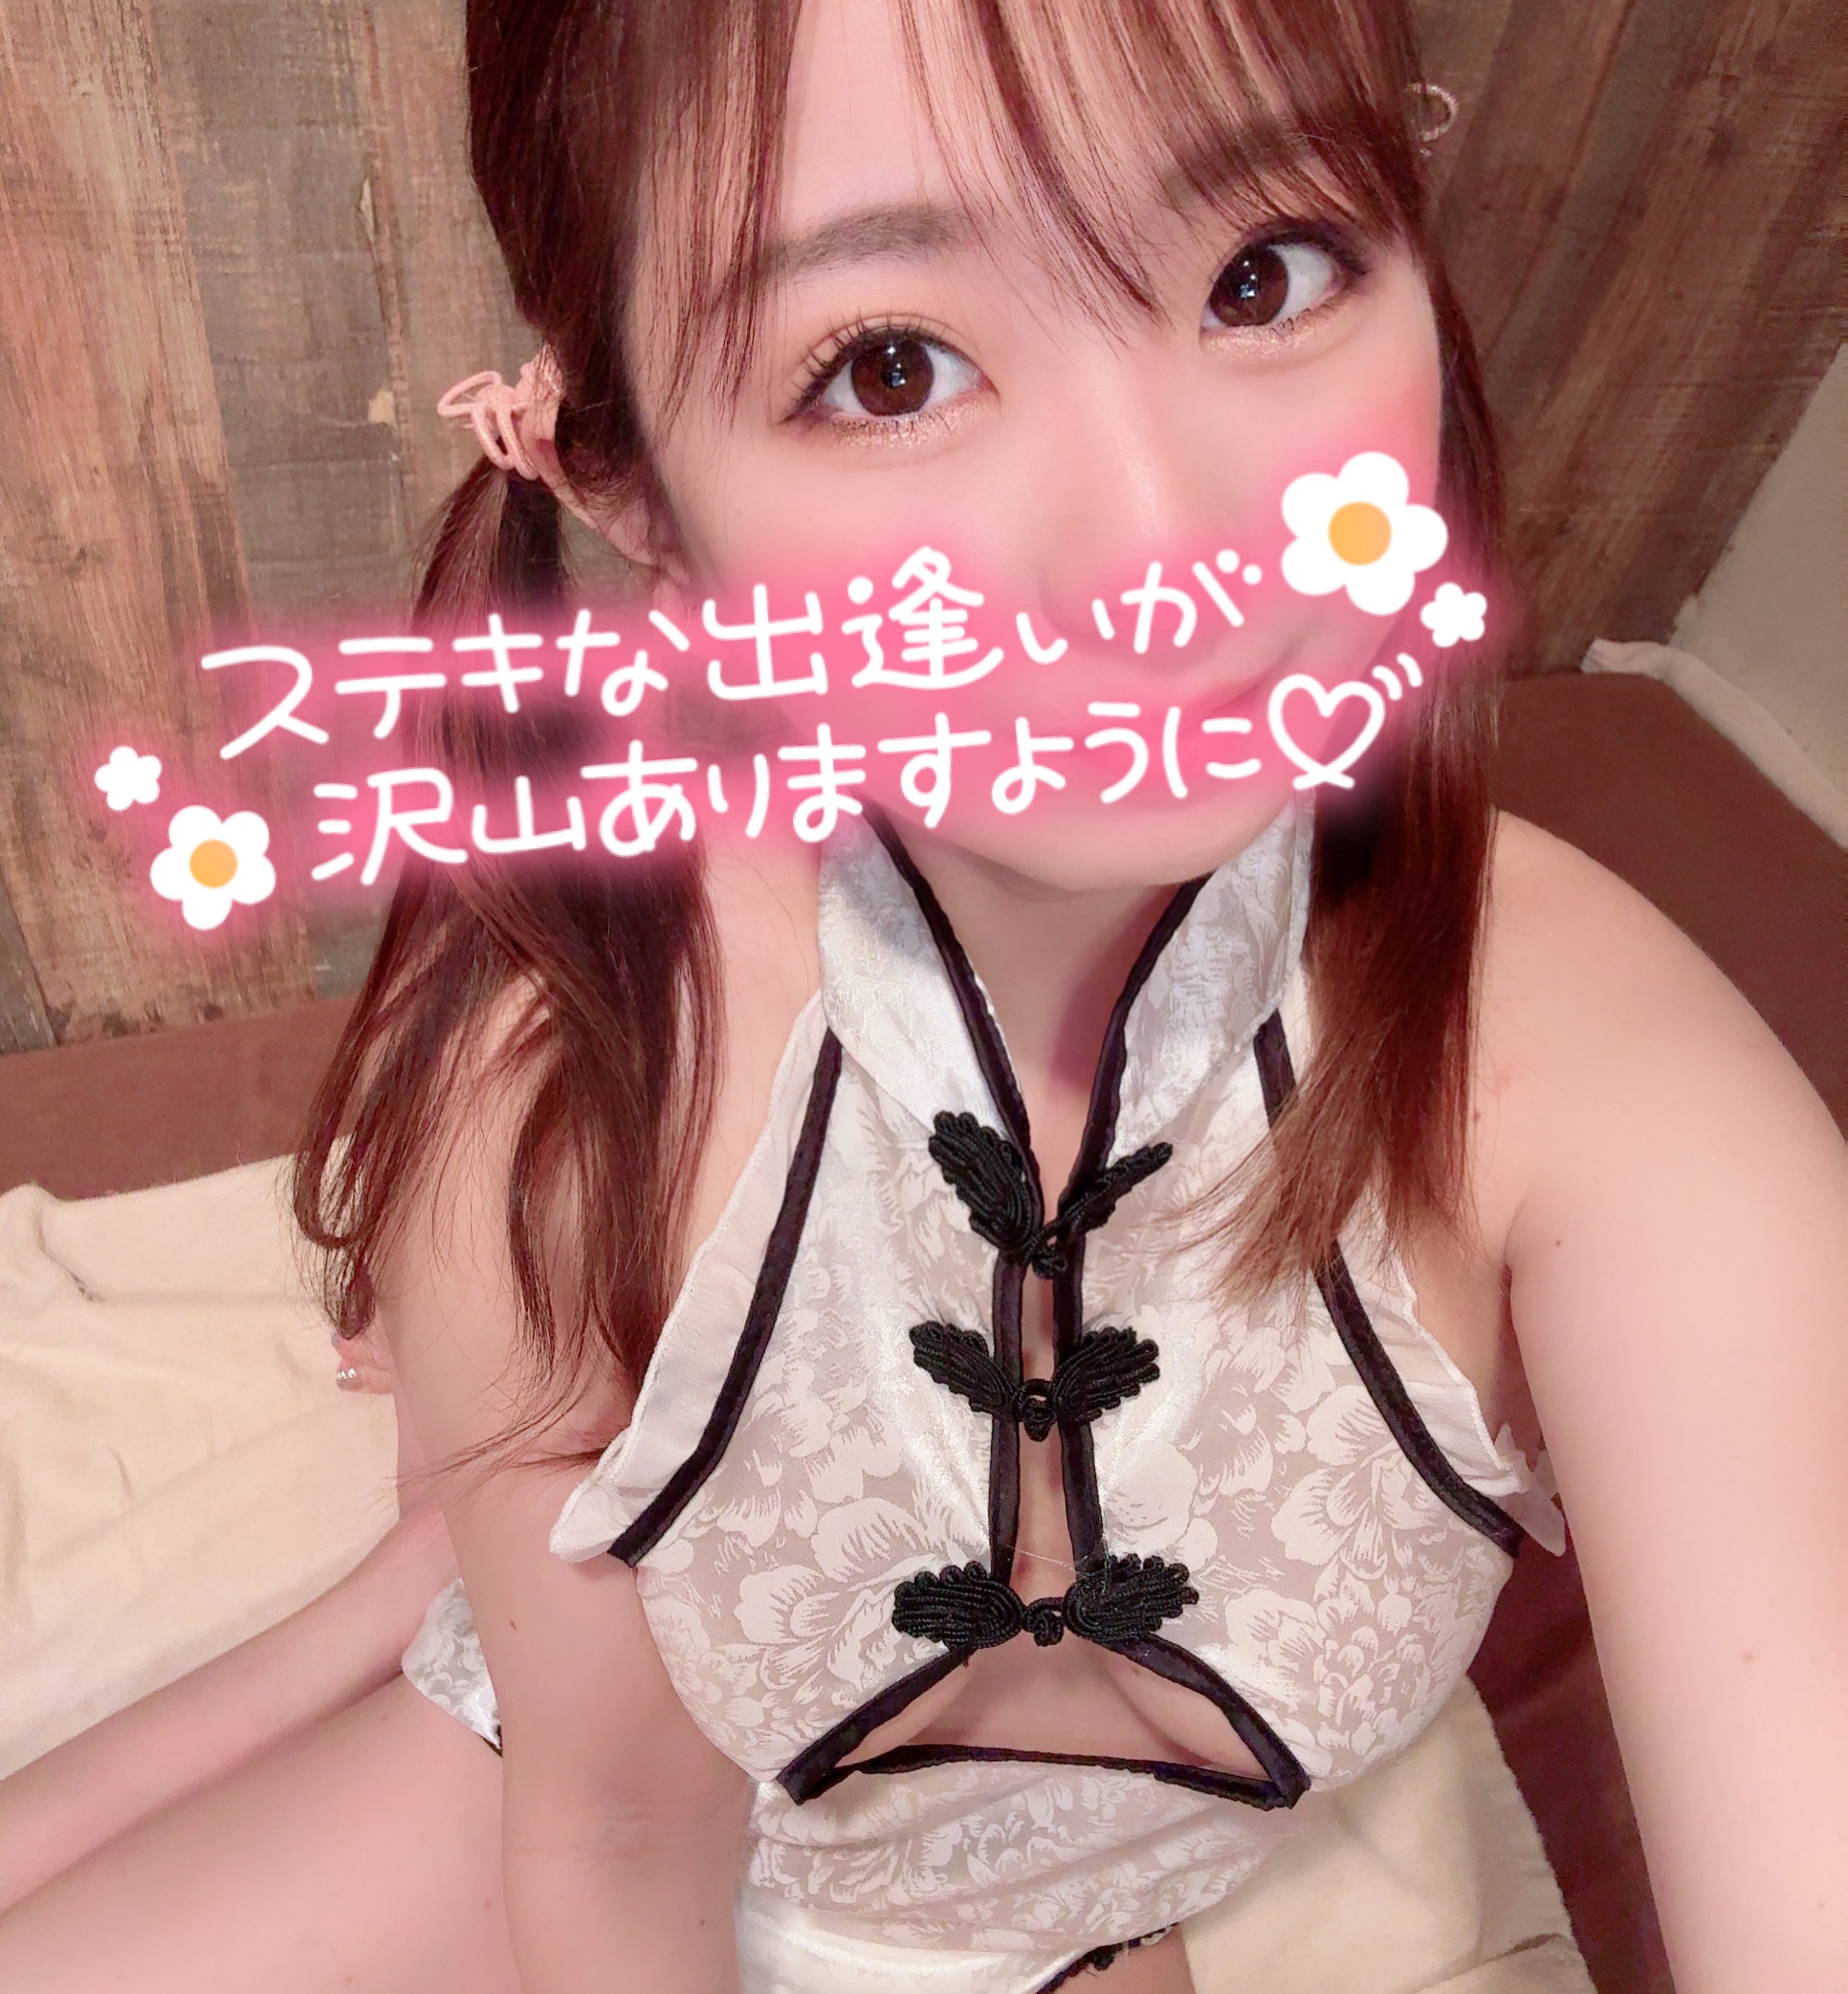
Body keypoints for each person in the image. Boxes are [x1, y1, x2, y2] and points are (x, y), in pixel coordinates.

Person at [0, 1, 1842, 1989]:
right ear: (636, 490)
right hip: (581, 1806)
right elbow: (611, 1851)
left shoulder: (1602, 1078)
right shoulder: (565, 1096)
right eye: (890, 367)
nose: (1167, 541)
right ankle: (414, 1586)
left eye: (1263, 271)